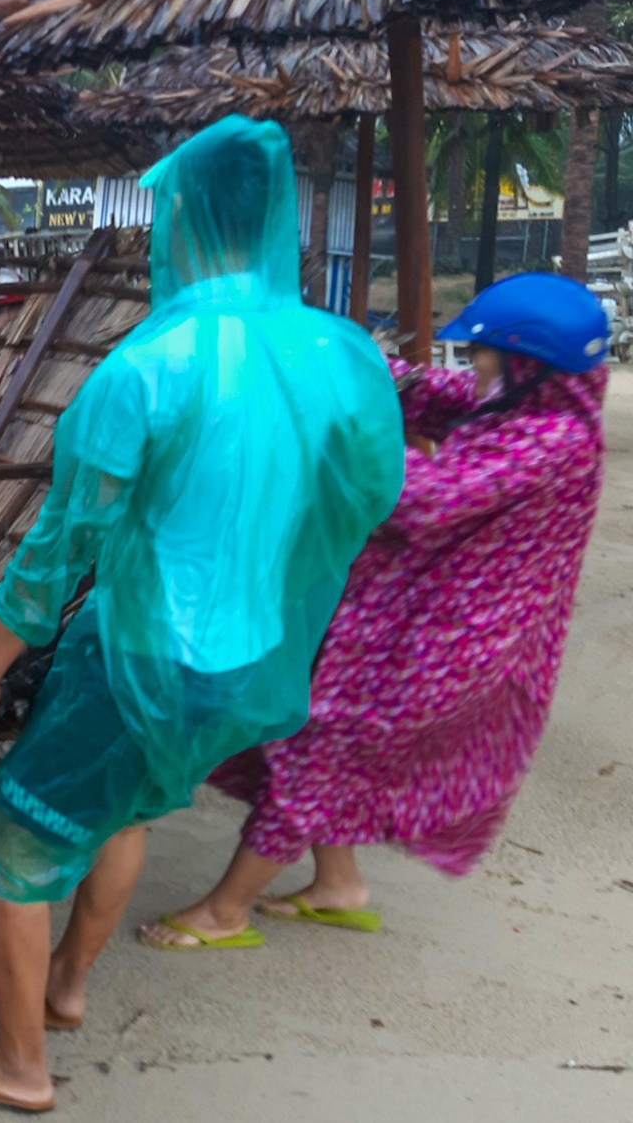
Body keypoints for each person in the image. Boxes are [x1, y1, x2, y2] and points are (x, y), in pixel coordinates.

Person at [0, 116, 407, 1111]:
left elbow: (58, 553)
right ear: (273, 219)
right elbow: (368, 495)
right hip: (253, 649)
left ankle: (17, 1065)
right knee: (118, 803)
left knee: (13, 838)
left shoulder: (146, 366)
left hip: (143, 651)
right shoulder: (338, 354)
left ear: (175, 219)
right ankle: (71, 987)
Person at [140, 273, 612, 949]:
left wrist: (327, 442)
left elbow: (423, 499)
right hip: (404, 615)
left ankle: (225, 909)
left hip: (451, 641)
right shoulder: (511, 402)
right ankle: (340, 885)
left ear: (528, 363)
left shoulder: (553, 439)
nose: (473, 366)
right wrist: (321, 351)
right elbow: (416, 388)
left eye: (486, 354)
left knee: (320, 745)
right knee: (322, 738)